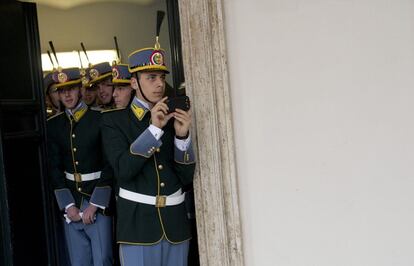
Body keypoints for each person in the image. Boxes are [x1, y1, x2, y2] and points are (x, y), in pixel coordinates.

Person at [100, 44, 196, 266]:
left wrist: (182, 137)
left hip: (175, 225)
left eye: (161, 77)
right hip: (138, 226)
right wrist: (154, 130)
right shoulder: (114, 121)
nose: (160, 83)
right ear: (134, 82)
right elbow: (124, 170)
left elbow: (185, 177)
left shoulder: (173, 118)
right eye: (151, 77)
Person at [46, 67, 114, 266]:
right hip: (71, 202)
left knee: (103, 259)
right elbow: (54, 168)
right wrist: (68, 205)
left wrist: (95, 204)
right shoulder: (54, 125)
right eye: (61, 90)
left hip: (97, 200)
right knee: (79, 261)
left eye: (72, 88)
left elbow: (110, 164)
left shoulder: (100, 119)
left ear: (81, 89)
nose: (66, 94)